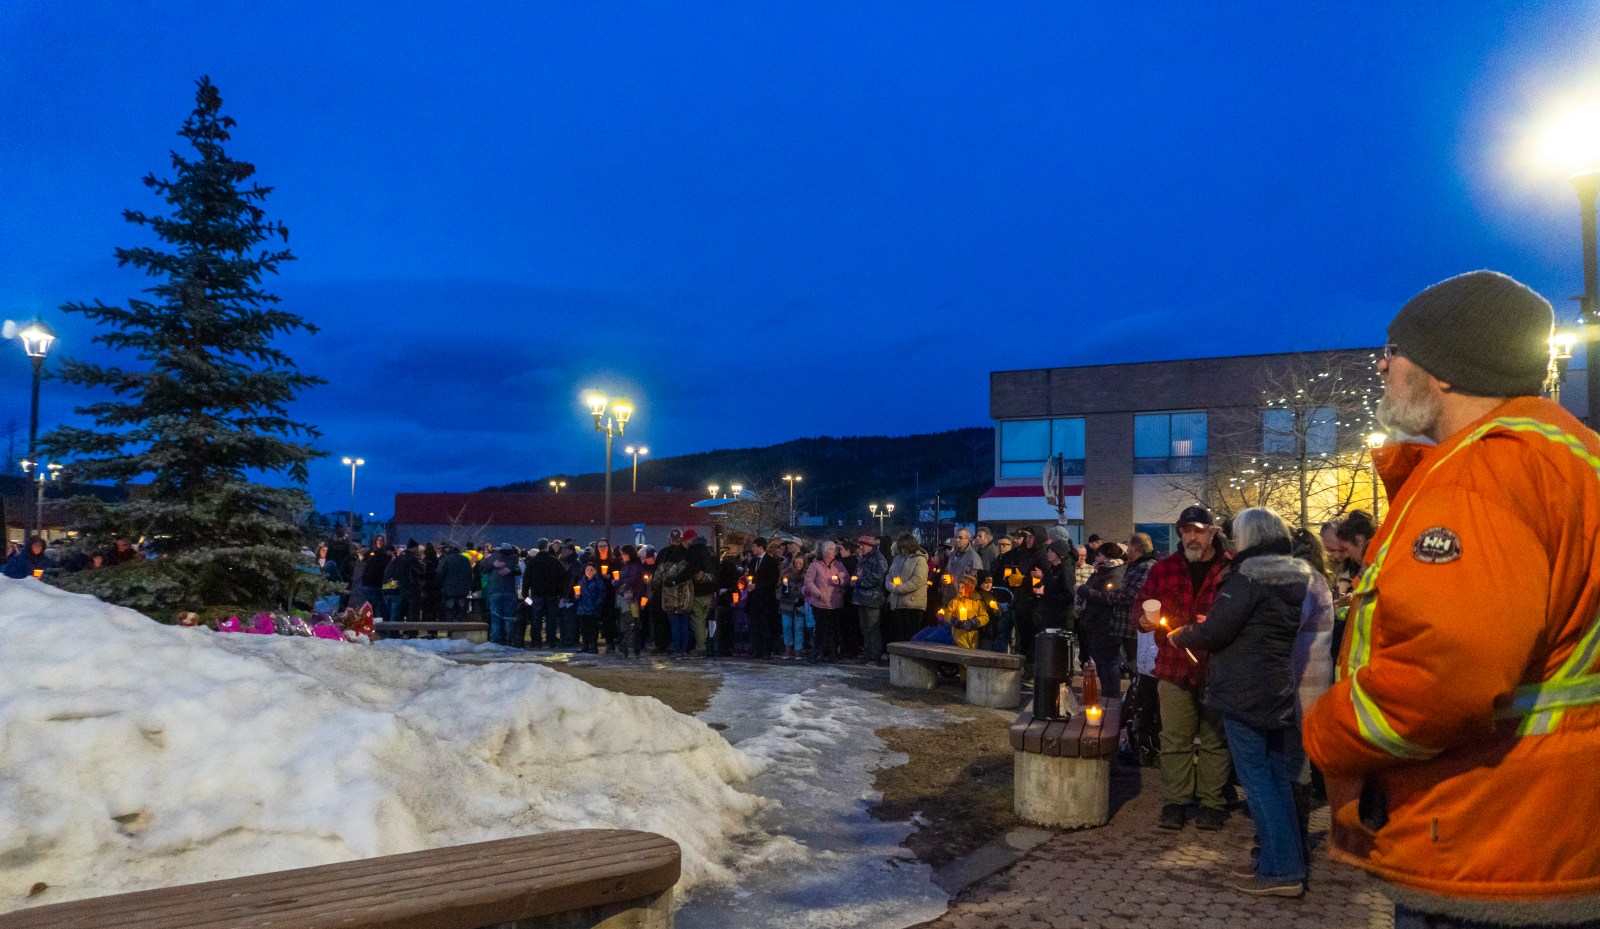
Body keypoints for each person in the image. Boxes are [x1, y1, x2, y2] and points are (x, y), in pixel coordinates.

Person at [1304, 270, 1600, 928]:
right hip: (1552, 834)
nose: (1383, 366)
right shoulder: (1574, 456)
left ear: (1442, 368)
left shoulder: (1480, 475)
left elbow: (1443, 678)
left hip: (1488, 837)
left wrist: (1324, 731)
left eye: (1394, 351)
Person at [1169, 508, 1310, 898]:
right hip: (1276, 686)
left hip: (1244, 689)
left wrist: (1183, 635)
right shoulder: (1294, 576)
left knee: (1257, 780)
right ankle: (1283, 861)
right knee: (1276, 777)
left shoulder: (1247, 576)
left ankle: (1282, 871)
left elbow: (1217, 630)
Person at [1138, 504, 1233, 831]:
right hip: (1173, 665)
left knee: (1214, 739)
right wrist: (1144, 619)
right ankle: (1175, 802)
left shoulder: (1230, 568)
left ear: (1212, 533)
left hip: (1217, 667)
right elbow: (1142, 603)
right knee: (1175, 738)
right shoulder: (1165, 568)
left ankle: (1211, 803)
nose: (1192, 537)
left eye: (1198, 531)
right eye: (1186, 531)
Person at [1075, 540, 1128, 700]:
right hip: (1096, 622)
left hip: (1106, 624)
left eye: (1098, 555)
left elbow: (1108, 597)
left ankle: (1111, 697)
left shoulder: (1115, 573)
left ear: (1107, 556)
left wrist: (1084, 590)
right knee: (1102, 662)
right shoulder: (1102, 571)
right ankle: (1107, 695)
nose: (1095, 558)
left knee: (1108, 663)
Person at [804, 540, 848, 662]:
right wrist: (818, 593)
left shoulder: (839, 565)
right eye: (831, 549)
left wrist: (840, 581)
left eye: (835, 549)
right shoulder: (815, 565)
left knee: (833, 630)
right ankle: (818, 653)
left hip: (835, 603)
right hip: (820, 604)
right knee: (820, 629)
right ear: (824, 551)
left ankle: (832, 653)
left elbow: (847, 578)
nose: (834, 552)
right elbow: (808, 582)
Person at [852, 533, 889, 664]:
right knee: (864, 628)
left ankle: (874, 657)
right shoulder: (864, 559)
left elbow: (876, 578)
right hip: (861, 598)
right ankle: (868, 654)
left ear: (869, 546)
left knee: (872, 629)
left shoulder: (879, 560)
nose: (860, 548)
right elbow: (858, 573)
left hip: (873, 599)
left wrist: (858, 582)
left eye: (862, 545)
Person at [886, 534, 929, 643]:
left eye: (904, 547)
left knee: (911, 636)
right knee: (901, 636)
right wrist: (889, 584)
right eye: (900, 548)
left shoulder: (920, 560)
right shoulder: (897, 559)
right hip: (897, 603)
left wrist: (898, 588)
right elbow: (889, 574)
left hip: (912, 604)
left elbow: (917, 580)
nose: (902, 550)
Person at [482, 544, 521, 647]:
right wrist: (511, 570)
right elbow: (518, 571)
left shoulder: (494, 557)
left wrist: (493, 565)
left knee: (496, 617)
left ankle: (495, 640)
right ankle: (508, 640)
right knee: (508, 617)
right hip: (509, 591)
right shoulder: (514, 558)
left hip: (495, 590)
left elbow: (484, 569)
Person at [778, 552, 810, 660]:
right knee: (786, 625)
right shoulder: (786, 572)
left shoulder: (807, 574)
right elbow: (780, 585)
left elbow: (809, 588)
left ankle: (798, 649)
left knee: (799, 627)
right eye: (796, 563)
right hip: (787, 601)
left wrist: (802, 597)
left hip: (800, 603)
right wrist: (783, 590)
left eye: (800, 563)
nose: (798, 565)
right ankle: (788, 646)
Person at [940, 528, 984, 602]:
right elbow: (946, 571)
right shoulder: (952, 555)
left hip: (963, 598)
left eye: (960, 538)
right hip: (949, 596)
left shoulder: (973, 557)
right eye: (956, 537)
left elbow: (976, 580)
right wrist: (943, 578)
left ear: (968, 539)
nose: (957, 540)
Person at [573, 563, 607, 653]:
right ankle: (585, 645)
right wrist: (577, 596)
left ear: (595, 571)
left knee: (593, 628)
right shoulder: (581, 582)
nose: (589, 571)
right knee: (584, 628)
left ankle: (593, 646)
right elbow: (576, 595)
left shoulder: (598, 582)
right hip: (583, 609)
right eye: (587, 570)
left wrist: (596, 605)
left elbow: (601, 595)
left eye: (591, 570)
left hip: (593, 609)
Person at [436, 543, 474, 622]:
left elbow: (439, 573)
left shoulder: (446, 559)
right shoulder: (465, 559)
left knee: (449, 612)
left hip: (449, 590)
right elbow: (470, 574)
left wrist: (440, 586)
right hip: (463, 590)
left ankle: (450, 627)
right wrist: (470, 586)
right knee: (461, 612)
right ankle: (461, 627)